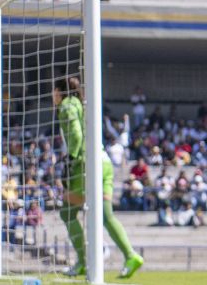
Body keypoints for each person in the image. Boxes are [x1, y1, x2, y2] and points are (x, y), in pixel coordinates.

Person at [53, 77, 143, 278]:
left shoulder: (67, 106)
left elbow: (75, 135)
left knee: (67, 213)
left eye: (54, 91)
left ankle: (83, 262)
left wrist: (70, 159)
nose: (52, 95)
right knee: (105, 215)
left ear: (60, 92)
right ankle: (131, 255)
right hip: (104, 161)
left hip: (85, 163)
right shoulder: (81, 104)